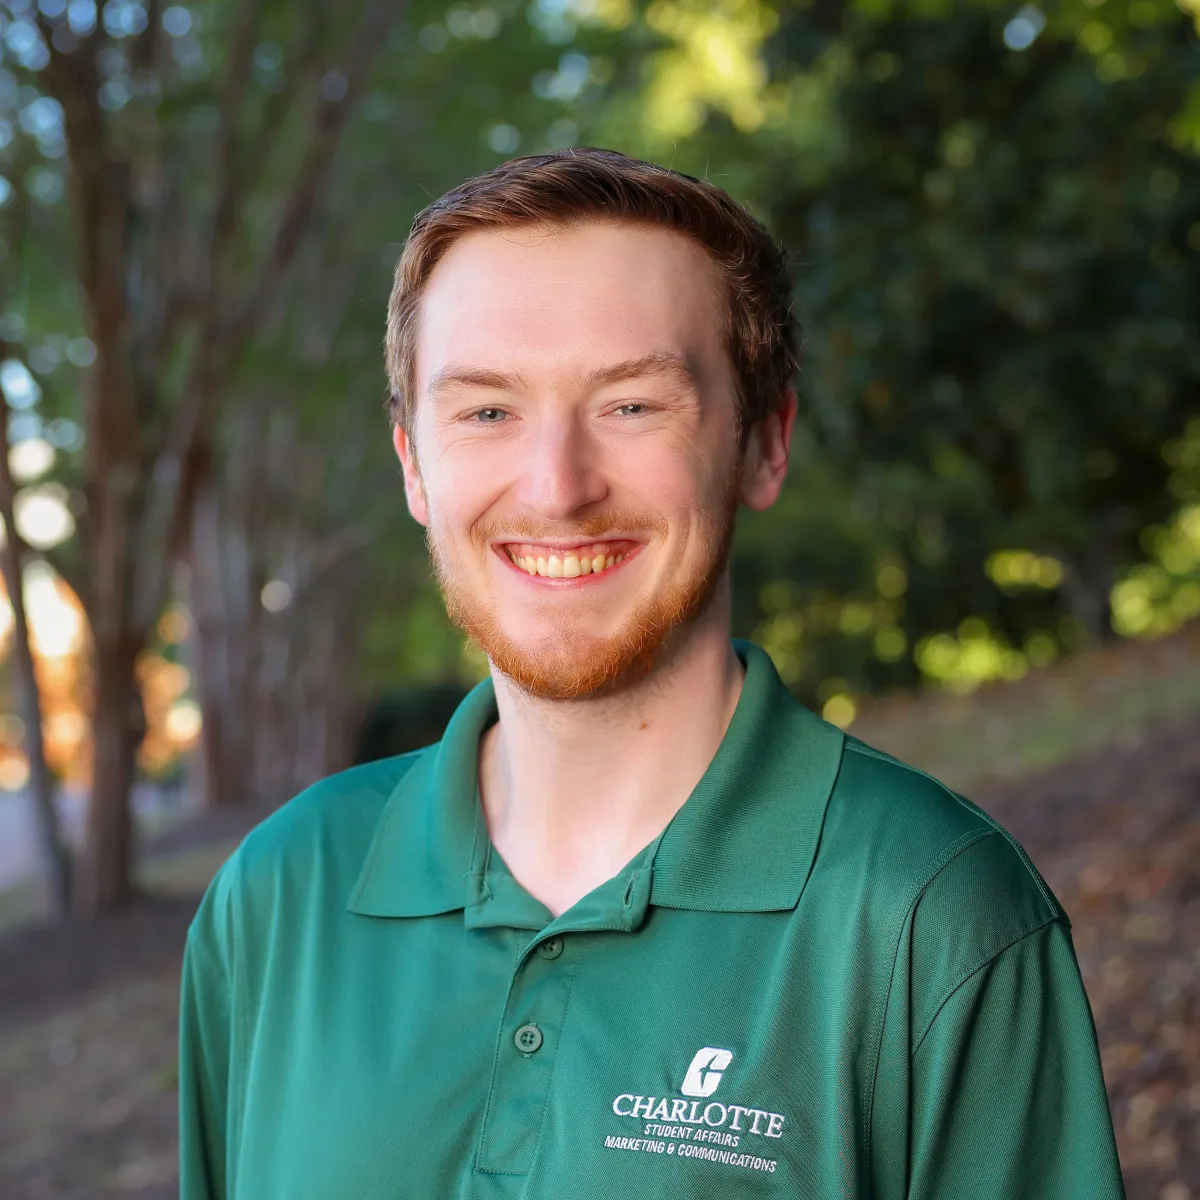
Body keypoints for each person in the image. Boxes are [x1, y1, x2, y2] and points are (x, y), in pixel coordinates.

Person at [178, 148, 1125, 1199]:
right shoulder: (277, 896)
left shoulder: (931, 918)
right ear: (414, 464)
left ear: (765, 444)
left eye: (632, 405)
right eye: (487, 411)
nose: (557, 488)